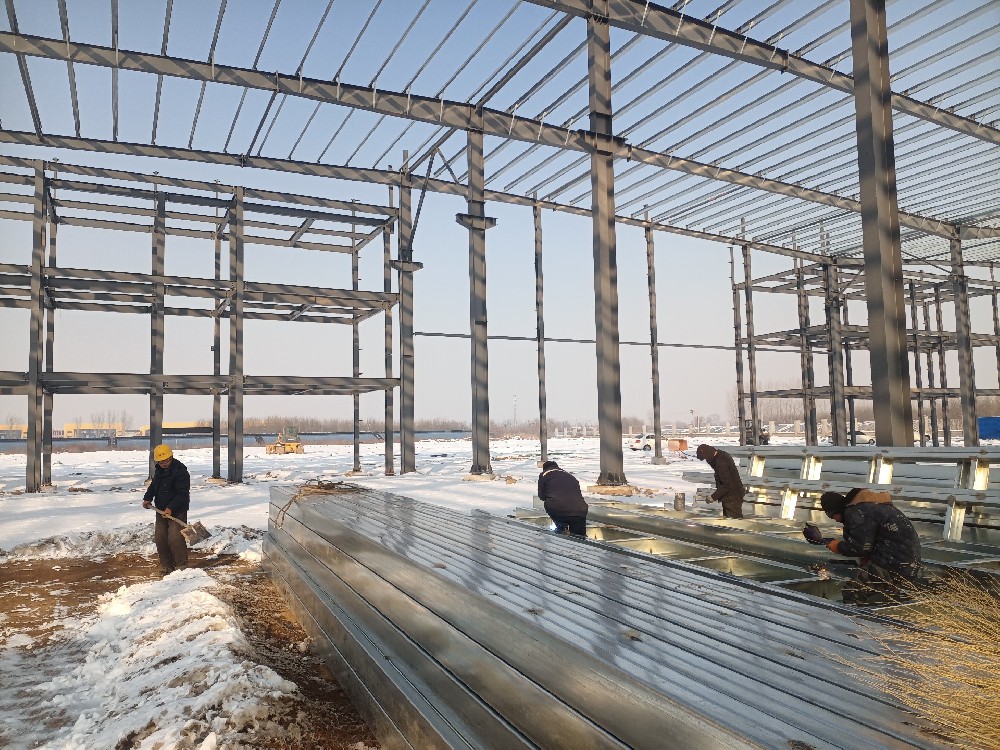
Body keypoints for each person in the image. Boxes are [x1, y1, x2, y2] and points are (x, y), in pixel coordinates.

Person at [806, 488, 922, 604]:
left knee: (852, 590)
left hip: (893, 564)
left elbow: (859, 547)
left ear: (835, 511)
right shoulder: (872, 508)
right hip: (908, 563)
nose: (835, 520)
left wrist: (838, 546)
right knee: (888, 596)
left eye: (832, 517)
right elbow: (873, 540)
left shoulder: (856, 512)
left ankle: (853, 615)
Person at [142, 444, 191, 575]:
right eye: (161, 461)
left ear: (171, 457)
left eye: (166, 460)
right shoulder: (159, 470)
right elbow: (154, 486)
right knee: (160, 538)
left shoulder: (180, 472)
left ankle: (181, 566)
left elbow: (182, 494)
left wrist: (171, 508)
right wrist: (147, 498)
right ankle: (167, 567)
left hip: (177, 510)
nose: (164, 463)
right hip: (161, 510)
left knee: (175, 538)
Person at [537, 460, 588, 536]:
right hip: (580, 510)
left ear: (544, 468)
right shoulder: (569, 475)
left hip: (559, 510)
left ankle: (561, 527)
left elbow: (542, 496)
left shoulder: (544, 475)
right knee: (579, 537)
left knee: (550, 503)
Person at [695, 444, 746, 519]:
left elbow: (726, 485)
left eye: (705, 458)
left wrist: (713, 497)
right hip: (729, 495)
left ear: (708, 454)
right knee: (729, 521)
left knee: (734, 522)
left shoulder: (722, 463)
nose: (706, 461)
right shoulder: (720, 456)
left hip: (732, 496)